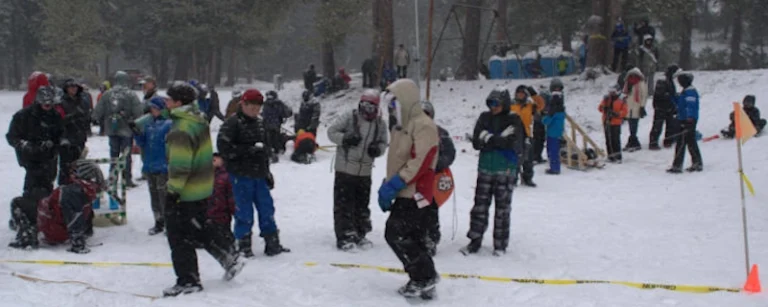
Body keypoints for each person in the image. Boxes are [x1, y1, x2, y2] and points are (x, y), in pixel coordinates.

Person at [162, 81, 244, 297]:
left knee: (179, 237)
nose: (166, 102)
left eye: (169, 99)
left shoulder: (181, 127)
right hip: (203, 187)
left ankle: (188, 280)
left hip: (186, 191)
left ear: (179, 102)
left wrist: (173, 191)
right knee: (198, 228)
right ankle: (228, 256)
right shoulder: (198, 120)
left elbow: (180, 166)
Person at [377, 79, 440, 298]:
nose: (393, 107)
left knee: (396, 233)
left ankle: (424, 276)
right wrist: (387, 184)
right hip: (403, 190)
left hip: (416, 192)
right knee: (413, 236)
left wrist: (396, 183)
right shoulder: (400, 126)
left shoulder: (423, 124)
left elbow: (421, 161)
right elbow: (396, 159)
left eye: (396, 102)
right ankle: (423, 278)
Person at [217, 88, 290, 258]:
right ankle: (243, 245)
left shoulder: (260, 123)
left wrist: (267, 172)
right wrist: (247, 151)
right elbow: (224, 149)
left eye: (257, 108)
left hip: (259, 174)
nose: (254, 111)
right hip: (240, 175)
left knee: (267, 209)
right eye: (251, 107)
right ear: (243, 104)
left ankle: (272, 242)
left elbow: (265, 149)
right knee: (243, 212)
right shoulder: (231, 124)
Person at [463, 88, 524, 256]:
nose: (493, 107)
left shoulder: (514, 119)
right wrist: (497, 138)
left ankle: (500, 245)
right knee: (479, 207)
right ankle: (475, 240)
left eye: (496, 103)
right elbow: (476, 141)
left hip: (505, 169)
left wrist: (488, 137)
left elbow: (512, 143)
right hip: (485, 168)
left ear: (504, 104)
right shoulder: (484, 117)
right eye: (490, 103)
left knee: (502, 210)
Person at [327, 90, 388, 251]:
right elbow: (331, 132)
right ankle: (345, 235)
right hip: (345, 169)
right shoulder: (349, 117)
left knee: (362, 204)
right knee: (343, 204)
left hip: (365, 171)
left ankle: (361, 233)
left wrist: (377, 150)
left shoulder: (380, 124)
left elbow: (383, 143)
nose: (367, 109)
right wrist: (345, 139)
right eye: (364, 105)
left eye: (371, 106)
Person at [8, 160, 105, 253]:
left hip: (52, 227)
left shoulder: (72, 192)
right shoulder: (88, 190)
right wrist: (86, 230)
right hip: (59, 221)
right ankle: (23, 225)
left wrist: (78, 242)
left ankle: (27, 238)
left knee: (17, 203)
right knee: (38, 194)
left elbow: (75, 217)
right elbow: (83, 212)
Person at [6, 86, 63, 231]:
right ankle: (27, 219)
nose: (47, 106)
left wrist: (58, 144)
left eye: (50, 104)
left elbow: (61, 134)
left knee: (48, 187)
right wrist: (25, 145)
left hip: (49, 158)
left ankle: (46, 218)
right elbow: (12, 136)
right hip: (31, 159)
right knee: (32, 189)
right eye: (45, 103)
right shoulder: (23, 116)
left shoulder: (55, 116)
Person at [92, 71, 143, 188]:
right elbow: (138, 112)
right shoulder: (131, 94)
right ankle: (127, 179)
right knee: (126, 155)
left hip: (112, 129)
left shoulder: (107, 94)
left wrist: (95, 119)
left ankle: (112, 178)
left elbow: (98, 110)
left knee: (113, 154)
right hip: (126, 130)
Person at [420, 100, 455, 256]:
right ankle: (416, 236)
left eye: (426, 114)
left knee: (431, 210)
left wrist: (435, 165)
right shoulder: (411, 132)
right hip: (416, 179)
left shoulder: (441, 133)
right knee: (415, 209)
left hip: (433, 178)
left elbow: (449, 154)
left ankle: (431, 239)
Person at [133, 96, 172, 235]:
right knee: (154, 195)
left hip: (163, 165)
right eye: (151, 108)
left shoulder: (168, 124)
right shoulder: (148, 124)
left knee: (164, 196)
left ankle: (168, 223)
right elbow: (142, 143)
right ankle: (158, 221)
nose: (152, 111)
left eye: (155, 108)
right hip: (150, 164)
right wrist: (137, 134)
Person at [56, 79, 91, 185]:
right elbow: (58, 120)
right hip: (66, 138)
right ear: (66, 88)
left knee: (78, 164)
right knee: (65, 166)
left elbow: (88, 116)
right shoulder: (61, 102)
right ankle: (64, 187)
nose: (73, 89)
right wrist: (73, 116)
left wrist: (87, 121)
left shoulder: (83, 101)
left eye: (75, 87)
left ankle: (76, 185)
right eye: (71, 87)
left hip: (80, 137)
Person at [667, 71, 703, 173]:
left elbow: (690, 106)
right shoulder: (685, 91)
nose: (679, 82)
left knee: (686, 142)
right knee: (684, 142)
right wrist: (672, 96)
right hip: (683, 119)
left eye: (681, 80)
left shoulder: (690, 92)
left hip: (688, 120)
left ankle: (693, 164)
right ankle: (686, 164)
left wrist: (689, 118)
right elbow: (679, 103)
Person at [207, 153, 236, 247]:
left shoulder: (226, 176)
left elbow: (230, 196)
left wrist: (232, 209)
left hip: (222, 212)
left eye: (216, 159)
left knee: (224, 232)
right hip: (209, 211)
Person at [510, 85, 536, 186]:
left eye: (522, 93)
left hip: (527, 134)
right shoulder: (510, 105)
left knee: (528, 158)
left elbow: (541, 106)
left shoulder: (530, 105)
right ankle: (513, 178)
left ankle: (527, 178)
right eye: (518, 93)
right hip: (514, 135)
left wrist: (534, 95)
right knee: (515, 158)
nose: (520, 95)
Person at [599, 86, 629, 163]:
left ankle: (618, 157)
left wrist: (617, 114)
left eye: (613, 92)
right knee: (608, 140)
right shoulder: (607, 99)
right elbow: (600, 108)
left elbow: (625, 112)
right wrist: (604, 107)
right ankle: (610, 156)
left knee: (615, 140)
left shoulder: (622, 100)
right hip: (607, 121)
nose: (611, 94)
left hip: (616, 123)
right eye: (610, 92)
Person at [262, 91, 293, 162]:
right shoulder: (279, 104)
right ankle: (275, 151)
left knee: (269, 139)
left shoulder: (265, 104)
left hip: (268, 125)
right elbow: (286, 113)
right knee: (274, 138)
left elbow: (262, 114)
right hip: (274, 125)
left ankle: (271, 151)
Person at [622, 67, 649, 152]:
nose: (633, 76)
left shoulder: (641, 84)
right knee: (631, 125)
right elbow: (624, 94)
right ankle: (633, 141)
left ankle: (633, 141)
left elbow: (644, 96)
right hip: (628, 107)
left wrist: (642, 106)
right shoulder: (627, 84)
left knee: (634, 125)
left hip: (636, 107)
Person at [542, 83, 566, 174]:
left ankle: (555, 168)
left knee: (552, 151)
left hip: (552, 133)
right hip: (558, 132)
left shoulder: (553, 111)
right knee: (555, 151)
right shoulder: (561, 110)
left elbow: (546, 121)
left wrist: (544, 117)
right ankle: (555, 167)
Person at [649, 79, 678, 150]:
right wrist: (674, 109)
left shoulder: (657, 91)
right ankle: (668, 141)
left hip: (659, 110)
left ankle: (653, 142)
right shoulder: (670, 85)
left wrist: (656, 108)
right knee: (669, 126)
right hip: (668, 109)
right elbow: (672, 98)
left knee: (657, 127)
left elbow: (654, 102)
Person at [528, 86, 547, 163]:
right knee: (540, 140)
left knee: (534, 141)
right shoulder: (539, 98)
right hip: (541, 121)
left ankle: (534, 156)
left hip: (533, 122)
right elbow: (543, 107)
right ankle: (538, 156)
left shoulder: (529, 100)